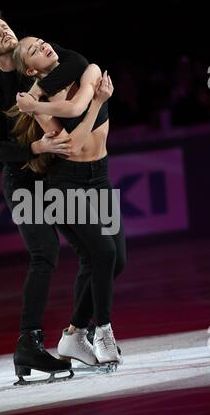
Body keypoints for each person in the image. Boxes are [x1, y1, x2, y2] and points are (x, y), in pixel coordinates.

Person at [0, 9, 94, 382]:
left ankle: (78, 333)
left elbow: (77, 61)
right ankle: (29, 342)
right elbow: (0, 149)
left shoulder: (36, 56)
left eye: (4, 25)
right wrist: (38, 147)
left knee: (96, 250)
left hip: (57, 174)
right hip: (23, 180)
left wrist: (41, 93)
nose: (4, 31)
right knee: (45, 253)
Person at [10, 36, 127, 366]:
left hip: (100, 177)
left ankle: (74, 335)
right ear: (32, 69)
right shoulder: (44, 101)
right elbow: (72, 146)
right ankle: (102, 330)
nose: (44, 46)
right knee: (102, 252)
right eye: (34, 50)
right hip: (66, 184)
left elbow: (76, 110)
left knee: (115, 261)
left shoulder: (88, 70)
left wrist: (37, 105)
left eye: (42, 42)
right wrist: (95, 104)